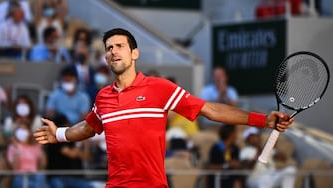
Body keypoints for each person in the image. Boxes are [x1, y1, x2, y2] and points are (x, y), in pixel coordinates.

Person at [34, 28, 294, 187]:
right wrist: (58, 134)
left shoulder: (159, 88)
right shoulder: (103, 97)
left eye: (120, 46)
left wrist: (263, 120)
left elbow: (208, 110)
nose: (113, 52)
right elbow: (89, 127)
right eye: (108, 48)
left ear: (134, 53)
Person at [6, 121, 47, 188]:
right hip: (20, 176)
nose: (22, 132)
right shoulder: (12, 147)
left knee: (41, 176)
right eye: (20, 129)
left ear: (29, 132)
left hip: (34, 176)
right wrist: (17, 149)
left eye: (24, 129)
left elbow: (43, 165)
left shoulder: (35, 147)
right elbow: (14, 168)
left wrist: (41, 149)